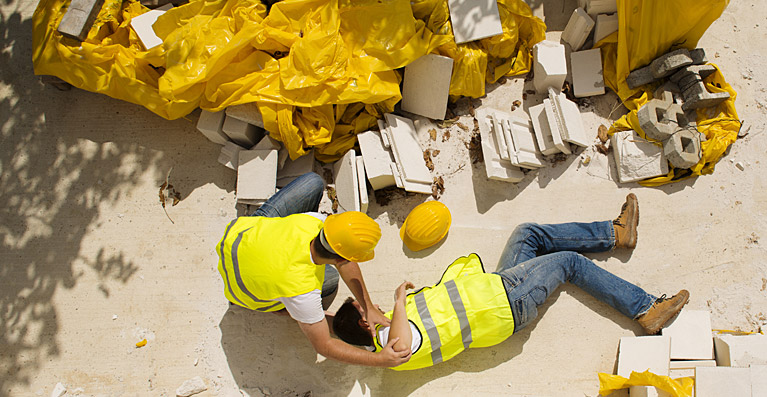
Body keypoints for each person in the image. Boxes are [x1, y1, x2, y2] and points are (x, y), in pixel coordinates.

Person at [332, 194, 689, 370]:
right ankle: (645, 308)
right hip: (508, 302)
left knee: (527, 234)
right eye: (364, 306)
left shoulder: (383, 333)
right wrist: (395, 302)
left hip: (496, 289)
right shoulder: (392, 347)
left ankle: (615, 234)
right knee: (568, 263)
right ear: (365, 321)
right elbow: (402, 344)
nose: (371, 303)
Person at [217, 172, 411, 367]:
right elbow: (324, 345)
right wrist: (379, 359)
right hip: (241, 290)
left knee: (313, 182)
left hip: (239, 237)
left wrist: (368, 307)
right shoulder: (303, 290)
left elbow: (344, 259)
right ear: (339, 258)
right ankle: (282, 308)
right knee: (331, 280)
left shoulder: (311, 221)